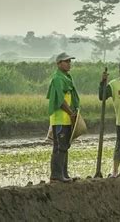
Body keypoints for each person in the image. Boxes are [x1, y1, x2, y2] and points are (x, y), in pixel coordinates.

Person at [46, 52, 80, 183]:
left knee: (65, 145)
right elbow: (60, 100)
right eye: (66, 61)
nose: (69, 64)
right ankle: (56, 175)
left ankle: (64, 174)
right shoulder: (58, 78)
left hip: (66, 118)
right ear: (59, 63)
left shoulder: (67, 77)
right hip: (60, 118)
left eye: (70, 61)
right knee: (59, 146)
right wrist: (71, 112)